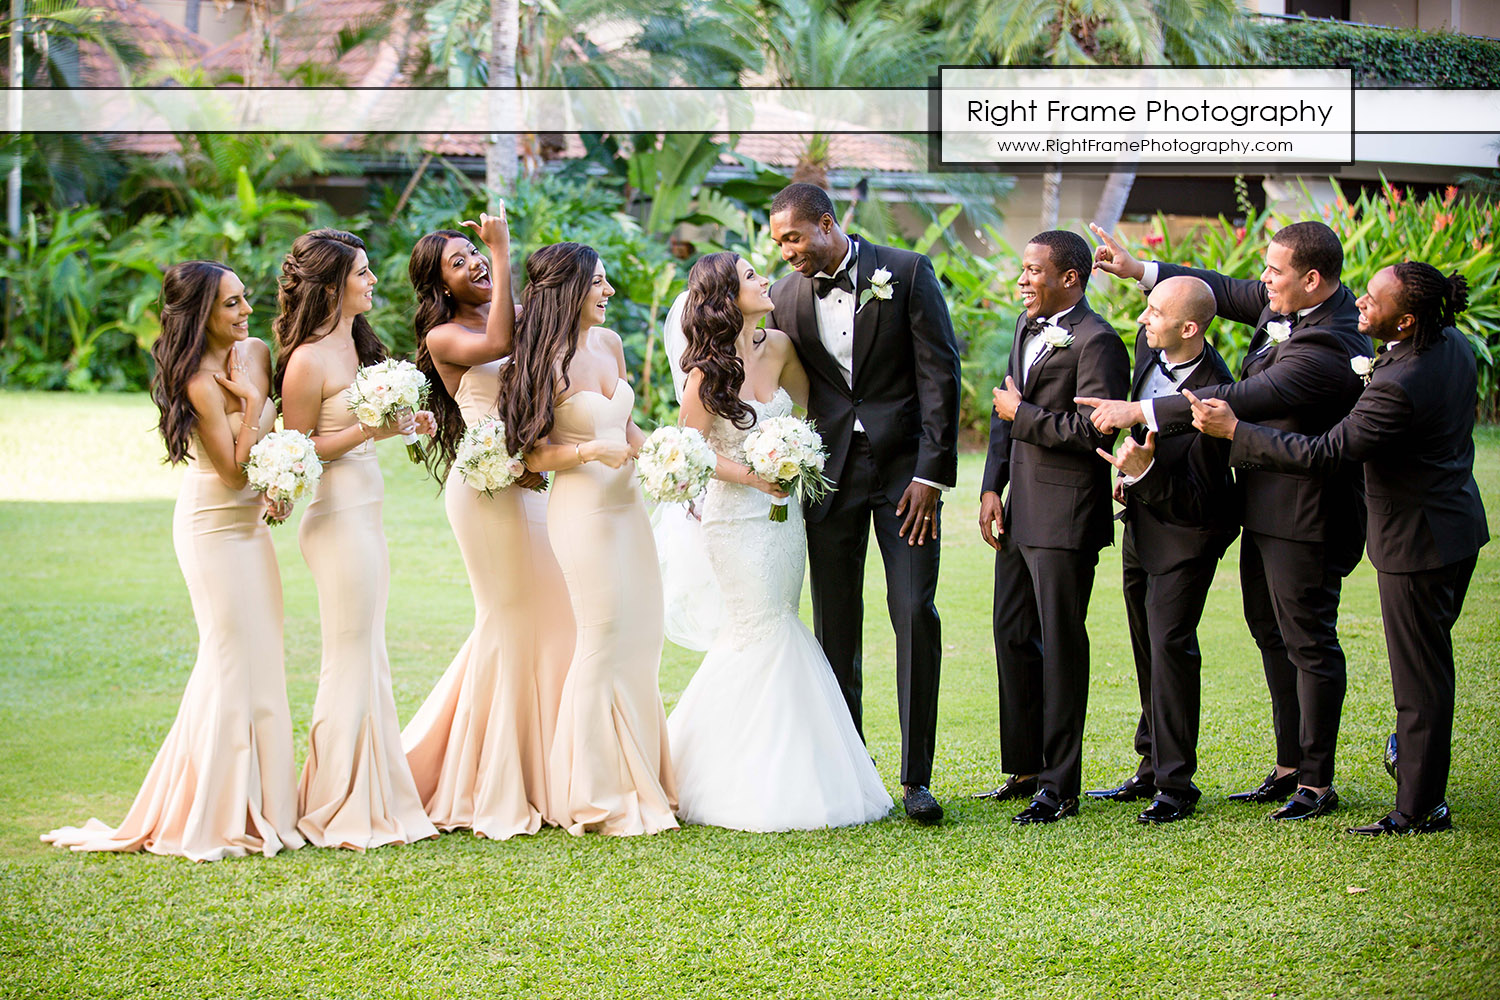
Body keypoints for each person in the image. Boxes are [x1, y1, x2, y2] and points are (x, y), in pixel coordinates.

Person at [1084, 220, 1371, 821]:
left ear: (1312, 279)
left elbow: (1242, 400)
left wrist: (1138, 410)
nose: (1262, 281)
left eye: (1275, 272)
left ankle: (1317, 782)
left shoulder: (1330, 348)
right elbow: (1223, 291)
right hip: (1261, 507)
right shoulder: (1284, 302)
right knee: (1270, 635)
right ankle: (1290, 765)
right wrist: (1141, 272)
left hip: (1308, 514)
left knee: (1309, 645)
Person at [1189, 263, 1488, 835]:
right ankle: (1416, 773)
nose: (1359, 306)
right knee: (1430, 667)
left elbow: (1328, 452)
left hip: (1416, 540)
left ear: (1405, 319)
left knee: (1419, 680)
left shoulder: (1399, 383)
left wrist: (1237, 433)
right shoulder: (1449, 343)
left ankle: (1420, 806)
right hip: (1456, 523)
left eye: (1372, 302)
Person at [43, 261, 303, 860]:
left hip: (250, 528)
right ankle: (209, 810)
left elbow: (273, 442)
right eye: (231, 306)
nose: (245, 313)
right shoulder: (194, 379)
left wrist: (275, 464)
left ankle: (262, 805)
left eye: (245, 300)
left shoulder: (257, 351)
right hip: (212, 528)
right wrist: (257, 402)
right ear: (200, 315)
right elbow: (235, 468)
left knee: (263, 658)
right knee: (230, 659)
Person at [666, 252, 892, 832]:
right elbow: (693, 454)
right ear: (724, 296)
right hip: (735, 519)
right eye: (749, 276)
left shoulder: (783, 347)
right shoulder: (705, 374)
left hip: (784, 516)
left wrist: (798, 458)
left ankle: (781, 764)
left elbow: (814, 416)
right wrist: (754, 474)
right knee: (760, 630)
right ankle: (729, 776)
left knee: (780, 620)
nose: (764, 279)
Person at [766, 182, 961, 825]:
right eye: (778, 243)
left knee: (913, 610)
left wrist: (932, 476)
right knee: (834, 624)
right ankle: (851, 772)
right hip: (829, 479)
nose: (787, 252)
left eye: (793, 238)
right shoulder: (786, 296)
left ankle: (916, 778)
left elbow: (941, 374)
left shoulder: (904, 272)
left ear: (827, 225)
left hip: (907, 477)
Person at [399, 210, 577, 839]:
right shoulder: (445, 338)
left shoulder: (516, 313)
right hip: (482, 491)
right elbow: (500, 345)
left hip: (527, 482)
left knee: (555, 617)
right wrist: (503, 251)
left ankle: (550, 768)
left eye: (474, 252)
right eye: (459, 260)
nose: (474, 261)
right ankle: (487, 775)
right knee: (508, 620)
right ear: (440, 286)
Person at [496, 241, 678, 837]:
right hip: (582, 513)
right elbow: (531, 450)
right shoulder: (540, 361)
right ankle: (592, 790)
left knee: (643, 635)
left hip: (629, 508)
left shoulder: (611, 344)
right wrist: (585, 452)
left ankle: (642, 775)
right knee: (601, 639)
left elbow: (625, 426)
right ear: (569, 289)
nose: (608, 292)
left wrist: (675, 459)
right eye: (598, 283)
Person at [275, 229, 439, 850]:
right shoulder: (307, 360)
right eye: (363, 273)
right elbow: (297, 451)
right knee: (347, 657)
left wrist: (404, 424)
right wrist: (372, 430)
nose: (373, 282)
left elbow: (371, 428)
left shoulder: (359, 347)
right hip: (335, 518)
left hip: (367, 515)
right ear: (332, 285)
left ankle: (373, 791)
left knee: (369, 652)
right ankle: (335, 802)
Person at [977, 230, 1131, 824]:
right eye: (1021, 268)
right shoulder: (1026, 325)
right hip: (1020, 511)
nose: (1021, 280)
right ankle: (1026, 766)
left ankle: (1061, 783)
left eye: (1032, 270)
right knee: (1012, 633)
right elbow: (1003, 410)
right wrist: (993, 486)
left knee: (1061, 645)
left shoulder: (1099, 343)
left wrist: (1026, 415)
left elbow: (1097, 432)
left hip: (1066, 517)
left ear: (1070, 277)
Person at [1087, 276, 1238, 824]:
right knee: (1145, 645)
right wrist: (1131, 479)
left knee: (1171, 646)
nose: (1144, 318)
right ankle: (1150, 764)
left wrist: (1143, 471)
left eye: (1154, 311)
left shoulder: (1216, 393)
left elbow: (1201, 498)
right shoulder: (1149, 355)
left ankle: (1176, 784)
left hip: (1189, 533)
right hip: (1143, 524)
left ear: (1189, 327)